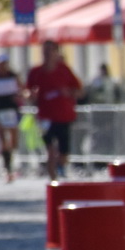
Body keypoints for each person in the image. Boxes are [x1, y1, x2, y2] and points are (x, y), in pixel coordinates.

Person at [25, 42, 81, 178]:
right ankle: (53, 180)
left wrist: (68, 92)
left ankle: (60, 166)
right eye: (45, 50)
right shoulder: (36, 72)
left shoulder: (64, 70)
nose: (47, 54)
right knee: (50, 149)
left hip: (63, 115)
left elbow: (79, 90)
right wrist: (30, 95)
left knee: (63, 153)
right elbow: (27, 91)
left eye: (50, 50)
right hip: (45, 117)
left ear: (57, 52)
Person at [0, 53, 24, 180]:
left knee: (14, 140)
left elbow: (22, 89)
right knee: (3, 139)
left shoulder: (13, 75)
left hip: (12, 109)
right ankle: (7, 166)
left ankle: (11, 158)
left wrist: (22, 96)